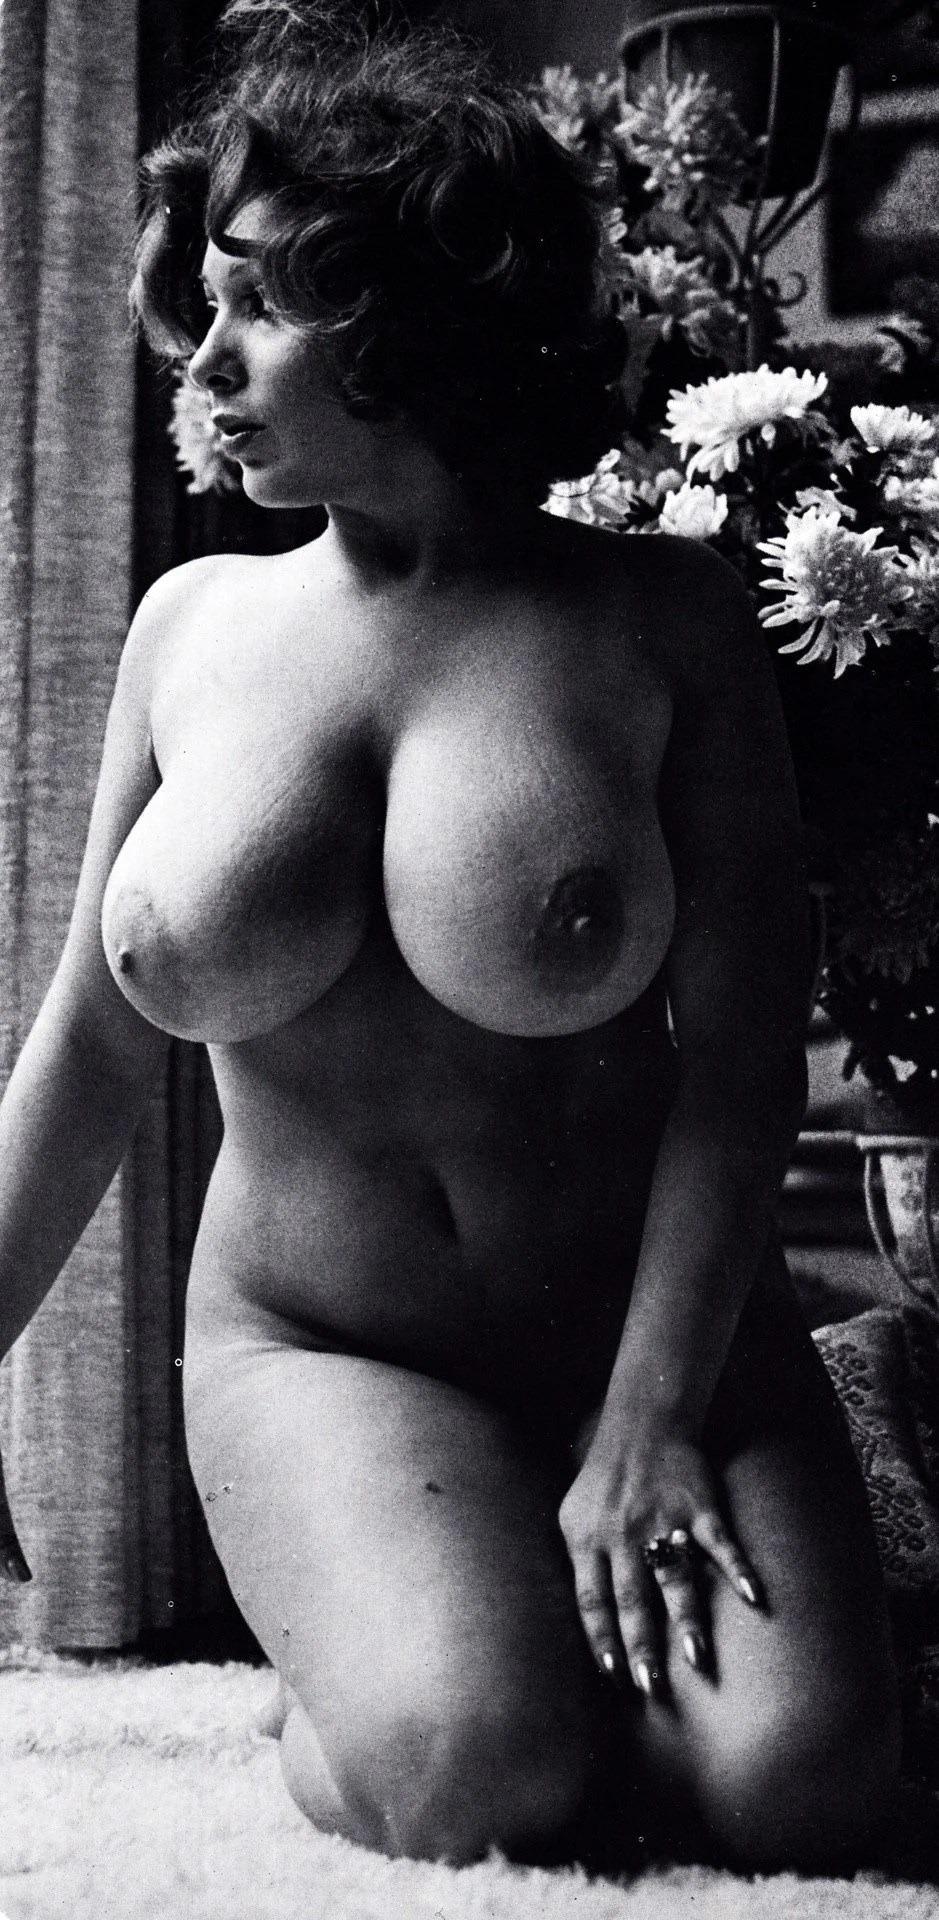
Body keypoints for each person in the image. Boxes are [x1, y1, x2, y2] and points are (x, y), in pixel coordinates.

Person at [0, 0, 900, 1873]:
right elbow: (87, 1046)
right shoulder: (187, 631)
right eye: (205, 299)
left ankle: (570, 1574)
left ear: (409, 318)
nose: (205, 357)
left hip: (660, 1341)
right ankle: (373, 1650)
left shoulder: (665, 622)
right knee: (487, 1771)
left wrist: (649, 1420)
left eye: (263, 303)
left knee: (799, 1797)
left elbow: (744, 1062)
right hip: (325, 1352)